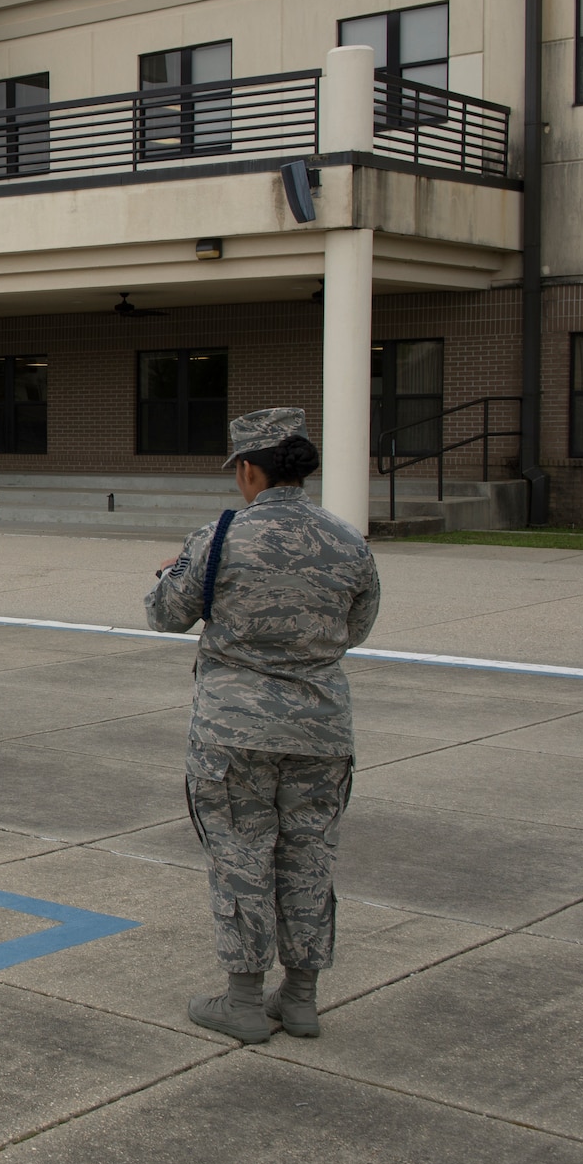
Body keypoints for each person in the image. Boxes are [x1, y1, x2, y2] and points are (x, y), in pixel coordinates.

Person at [146, 407, 380, 1043]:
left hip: (234, 733)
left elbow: (165, 615)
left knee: (242, 857)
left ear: (250, 469)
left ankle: (244, 1002)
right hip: (322, 731)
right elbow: (355, 627)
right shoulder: (346, 539)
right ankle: (300, 999)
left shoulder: (219, 538)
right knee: (310, 859)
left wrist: (171, 570)